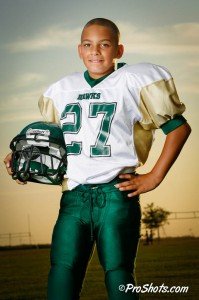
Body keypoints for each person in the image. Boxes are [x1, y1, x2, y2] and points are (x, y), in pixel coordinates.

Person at [4, 18, 191, 300]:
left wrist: (154, 176)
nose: (96, 51)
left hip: (116, 194)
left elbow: (179, 128)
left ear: (119, 50)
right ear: (79, 50)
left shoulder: (132, 81)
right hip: (74, 196)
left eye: (104, 44)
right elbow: (51, 140)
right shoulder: (62, 89)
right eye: (88, 45)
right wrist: (21, 158)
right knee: (61, 272)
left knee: (118, 272)